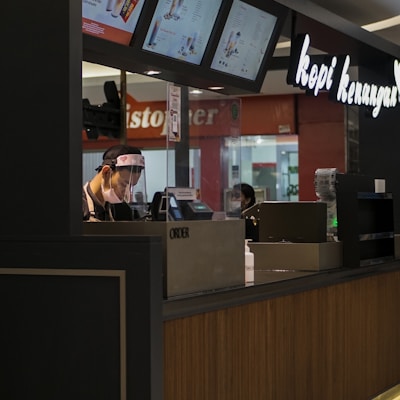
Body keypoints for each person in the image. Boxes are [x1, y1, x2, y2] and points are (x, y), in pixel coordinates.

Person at [83, 144, 145, 222]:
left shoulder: (122, 210)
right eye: (124, 184)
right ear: (106, 173)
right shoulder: (74, 206)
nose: (128, 194)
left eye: (131, 187)